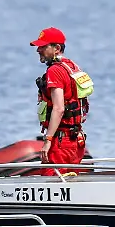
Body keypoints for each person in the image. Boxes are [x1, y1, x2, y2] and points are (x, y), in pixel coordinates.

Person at [30, 27, 93, 175]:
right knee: (71, 181)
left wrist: (48, 141)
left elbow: (59, 108)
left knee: (51, 181)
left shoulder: (54, 71)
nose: (38, 50)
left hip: (60, 143)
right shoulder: (72, 67)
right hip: (76, 141)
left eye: (43, 47)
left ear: (57, 48)